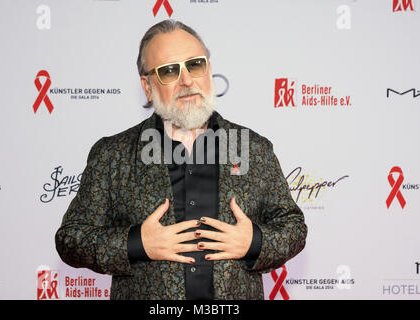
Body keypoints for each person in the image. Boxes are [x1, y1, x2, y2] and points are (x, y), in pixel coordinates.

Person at [55, 20, 307, 300]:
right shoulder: (112, 155)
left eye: (195, 65)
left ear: (209, 70)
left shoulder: (253, 149)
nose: (187, 81)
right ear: (148, 86)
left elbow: (293, 228)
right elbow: (71, 239)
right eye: (169, 71)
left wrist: (254, 242)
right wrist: (136, 244)